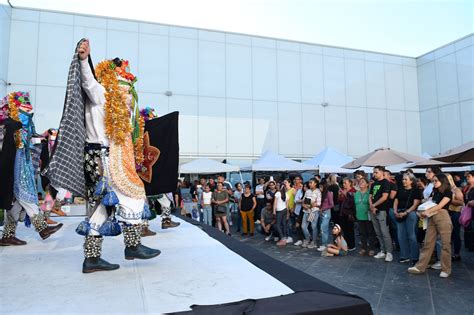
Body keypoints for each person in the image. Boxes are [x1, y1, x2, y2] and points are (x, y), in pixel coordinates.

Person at [44, 39, 161, 273]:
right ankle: (132, 245)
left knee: (100, 209)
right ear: (113, 86)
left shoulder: (118, 108)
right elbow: (88, 80)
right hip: (102, 159)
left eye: (130, 91)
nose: (129, 96)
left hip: (104, 158)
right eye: (125, 89)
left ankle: (92, 258)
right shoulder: (101, 96)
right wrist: (85, 59)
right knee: (133, 195)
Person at [0, 92, 63, 246]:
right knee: (24, 196)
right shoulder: (11, 124)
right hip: (15, 168)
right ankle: (42, 228)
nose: (29, 111)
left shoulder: (21, 124)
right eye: (25, 107)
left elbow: (30, 141)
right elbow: (13, 148)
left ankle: (8, 236)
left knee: (16, 203)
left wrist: (44, 136)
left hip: (22, 166)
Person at [408, 173, 453, 278]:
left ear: (443, 181)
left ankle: (446, 269)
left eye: (436, 180)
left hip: (443, 216)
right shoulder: (435, 192)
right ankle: (420, 266)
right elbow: (430, 203)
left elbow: (440, 206)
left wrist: (426, 212)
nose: (434, 182)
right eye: (433, 181)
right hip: (432, 217)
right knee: (428, 242)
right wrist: (422, 211)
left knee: (445, 244)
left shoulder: (448, 192)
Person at [393, 173, 422, 264]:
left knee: (411, 236)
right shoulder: (400, 189)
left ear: (411, 181)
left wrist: (406, 213)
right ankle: (404, 256)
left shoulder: (416, 191)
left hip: (410, 214)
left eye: (406, 179)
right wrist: (395, 211)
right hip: (399, 213)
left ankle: (414, 257)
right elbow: (396, 201)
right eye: (403, 179)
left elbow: (415, 204)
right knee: (401, 236)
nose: (403, 181)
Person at [369, 166, 393, 262]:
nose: (374, 174)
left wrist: (374, 205)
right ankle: (383, 251)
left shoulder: (386, 183)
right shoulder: (374, 183)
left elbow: (384, 197)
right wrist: (372, 206)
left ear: (382, 172)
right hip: (373, 210)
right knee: (378, 232)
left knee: (384, 232)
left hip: (382, 210)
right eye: (373, 172)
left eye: (376, 172)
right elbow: (370, 196)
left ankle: (389, 252)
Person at [354, 177, 377, 256]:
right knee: (362, 233)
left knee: (370, 233)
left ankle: (371, 248)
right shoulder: (356, 193)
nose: (361, 183)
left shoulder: (369, 193)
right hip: (359, 215)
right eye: (360, 182)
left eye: (363, 182)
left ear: (367, 184)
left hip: (368, 216)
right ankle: (363, 248)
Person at [446, 173, 464, 261]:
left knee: (456, 233)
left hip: (455, 213)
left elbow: (461, 202)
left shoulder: (456, 189)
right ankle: (449, 253)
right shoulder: (445, 189)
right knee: (449, 234)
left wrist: (450, 199)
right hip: (447, 213)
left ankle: (456, 254)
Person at [301, 178, 321, 249]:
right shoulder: (307, 191)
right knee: (303, 226)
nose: (309, 184)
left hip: (314, 211)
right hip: (306, 211)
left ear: (315, 183)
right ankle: (307, 238)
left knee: (313, 226)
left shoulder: (318, 191)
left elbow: (318, 203)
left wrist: (311, 205)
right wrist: (304, 205)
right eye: (309, 183)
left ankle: (314, 242)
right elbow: (303, 200)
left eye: (311, 182)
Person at [338, 178, 356, 251]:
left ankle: (351, 245)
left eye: (345, 183)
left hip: (349, 213)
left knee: (350, 229)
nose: (344, 184)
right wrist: (340, 196)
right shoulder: (343, 190)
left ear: (350, 183)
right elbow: (340, 201)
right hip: (342, 212)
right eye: (343, 183)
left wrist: (345, 194)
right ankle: (346, 244)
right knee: (344, 230)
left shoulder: (353, 191)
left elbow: (352, 202)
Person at [384, 170, 399, 251]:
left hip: (390, 208)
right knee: (387, 228)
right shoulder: (382, 184)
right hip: (384, 208)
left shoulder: (393, 185)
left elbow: (391, 197)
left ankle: (397, 244)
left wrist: (383, 195)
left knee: (394, 227)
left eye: (384, 174)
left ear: (389, 175)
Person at [317, 180, 333, 252]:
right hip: (321, 212)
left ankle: (325, 244)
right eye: (319, 187)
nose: (320, 188)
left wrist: (323, 208)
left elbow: (331, 204)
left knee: (323, 227)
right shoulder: (320, 194)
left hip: (326, 212)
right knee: (323, 229)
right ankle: (325, 243)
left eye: (321, 187)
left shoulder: (328, 193)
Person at [292, 176, 305, 246]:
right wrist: (302, 201)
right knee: (298, 226)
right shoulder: (299, 191)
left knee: (304, 226)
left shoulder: (306, 191)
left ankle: (305, 239)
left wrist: (301, 201)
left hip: (304, 211)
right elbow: (295, 200)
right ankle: (300, 239)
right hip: (297, 210)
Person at [283, 179, 296, 244]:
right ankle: (288, 236)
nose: (284, 183)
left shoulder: (293, 190)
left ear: (289, 183)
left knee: (290, 223)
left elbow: (295, 200)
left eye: (286, 182)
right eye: (284, 182)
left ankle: (290, 237)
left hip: (291, 209)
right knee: (287, 223)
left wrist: (293, 208)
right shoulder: (284, 190)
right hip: (285, 208)